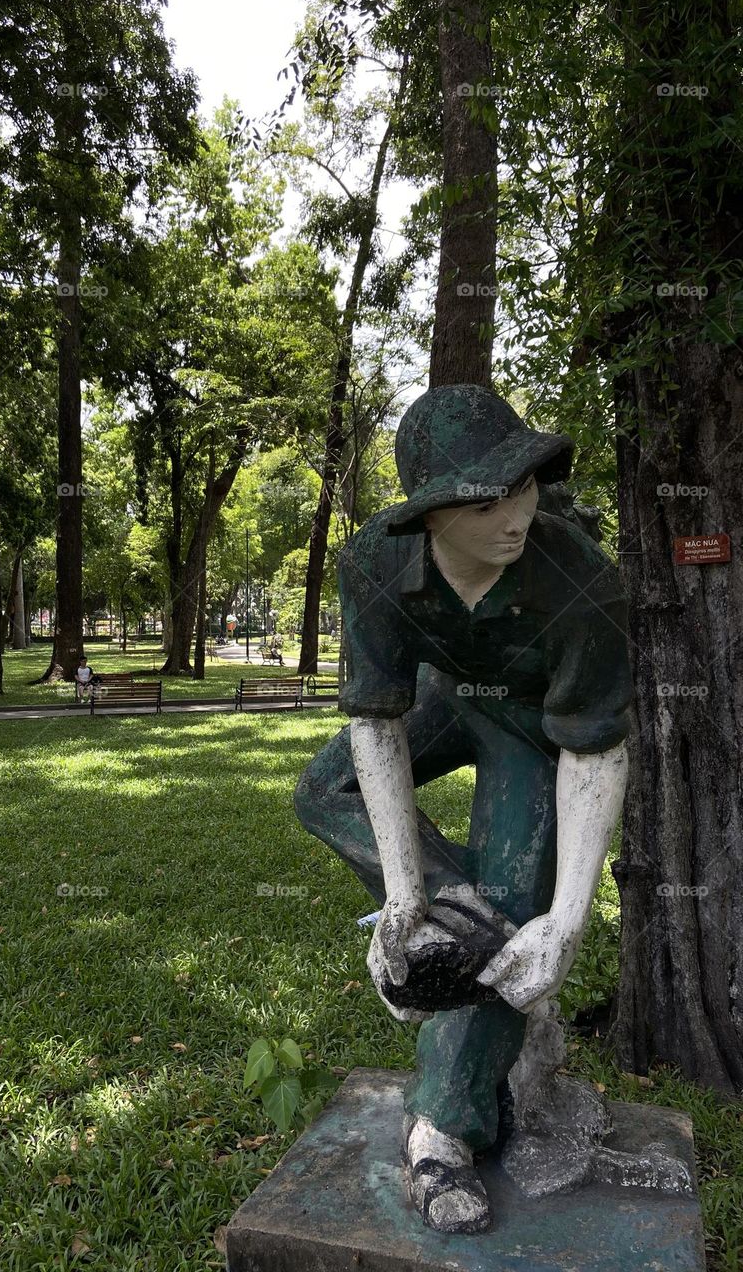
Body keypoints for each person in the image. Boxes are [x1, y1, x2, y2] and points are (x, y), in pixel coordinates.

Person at [294, 384, 633, 1234]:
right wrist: (409, 897)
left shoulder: (581, 579)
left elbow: (595, 749)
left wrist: (566, 919)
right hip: (447, 700)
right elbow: (374, 721)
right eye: (485, 502)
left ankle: (441, 1132)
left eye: (521, 487)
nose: (514, 515)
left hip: (533, 732)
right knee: (321, 792)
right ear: (431, 515)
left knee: (520, 912)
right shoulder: (374, 560)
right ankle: (461, 919)